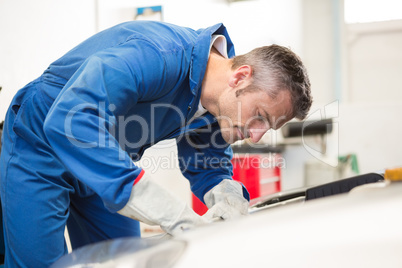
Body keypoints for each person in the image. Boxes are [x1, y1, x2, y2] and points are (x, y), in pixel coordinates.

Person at [0, 20, 312, 267]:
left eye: (267, 128)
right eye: (259, 116)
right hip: (40, 145)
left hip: (102, 164)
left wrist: (225, 195)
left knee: (124, 262)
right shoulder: (155, 54)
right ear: (241, 76)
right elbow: (70, 119)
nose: (256, 135)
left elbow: (208, 163)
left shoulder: (215, 105)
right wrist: (169, 212)